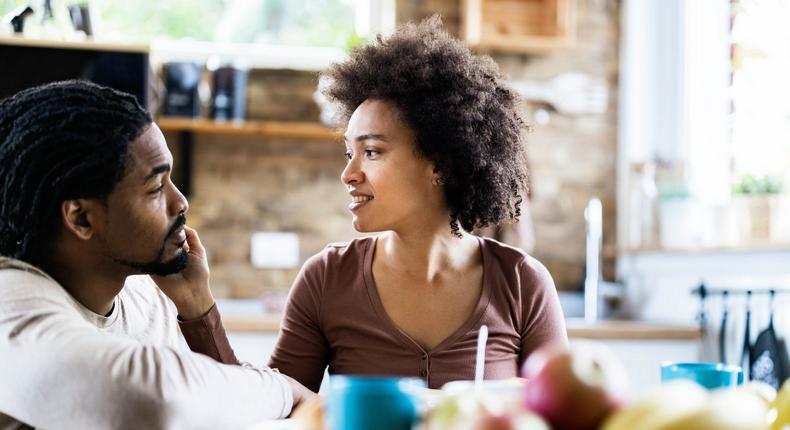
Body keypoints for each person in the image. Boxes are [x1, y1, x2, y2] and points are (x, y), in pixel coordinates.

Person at [267, 17, 567, 392]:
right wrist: (200, 312)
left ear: (439, 163)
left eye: (372, 152)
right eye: (349, 152)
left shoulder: (523, 283)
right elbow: (275, 406)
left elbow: (561, 413)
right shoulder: (327, 278)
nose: (348, 174)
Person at [0, 80, 313, 429]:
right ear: (81, 217)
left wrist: (197, 308)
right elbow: (149, 399)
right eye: (155, 188)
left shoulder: (149, 298)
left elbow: (221, 411)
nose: (181, 203)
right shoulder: (8, 299)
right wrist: (282, 388)